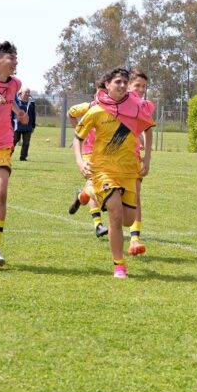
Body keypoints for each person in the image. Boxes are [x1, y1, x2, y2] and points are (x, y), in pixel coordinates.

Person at [73, 68, 155, 279]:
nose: (121, 85)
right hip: (103, 170)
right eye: (117, 82)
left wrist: (146, 159)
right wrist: (81, 161)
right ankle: (119, 266)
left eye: (124, 82)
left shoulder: (136, 107)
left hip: (128, 171)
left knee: (127, 220)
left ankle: (88, 192)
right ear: (107, 85)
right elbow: (77, 137)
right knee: (116, 214)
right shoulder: (96, 110)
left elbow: (148, 128)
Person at [0, 41, 29, 267]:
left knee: (0, 193)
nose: (15, 62)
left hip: (0, 145)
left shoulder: (16, 83)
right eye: (11, 57)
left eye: (16, 57)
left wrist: (19, 112)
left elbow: (9, 102)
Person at [67, 81, 109, 238]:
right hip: (89, 152)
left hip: (106, 154)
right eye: (100, 90)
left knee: (91, 189)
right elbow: (70, 113)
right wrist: (79, 133)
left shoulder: (113, 109)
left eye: (105, 90)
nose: (103, 93)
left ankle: (80, 197)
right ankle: (98, 225)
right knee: (93, 183)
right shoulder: (88, 106)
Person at [125, 69, 156, 255]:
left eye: (144, 86)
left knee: (136, 194)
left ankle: (135, 239)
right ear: (128, 85)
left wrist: (148, 158)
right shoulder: (116, 102)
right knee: (111, 199)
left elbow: (148, 129)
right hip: (111, 159)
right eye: (137, 85)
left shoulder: (143, 106)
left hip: (133, 156)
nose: (141, 89)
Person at [12, 89, 36, 161]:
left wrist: (33, 125)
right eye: (26, 92)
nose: (27, 93)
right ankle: (8, 155)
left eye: (29, 92)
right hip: (17, 125)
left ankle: (23, 157)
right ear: (21, 93)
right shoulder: (16, 101)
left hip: (28, 126)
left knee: (26, 142)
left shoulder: (31, 102)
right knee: (14, 140)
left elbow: (33, 114)